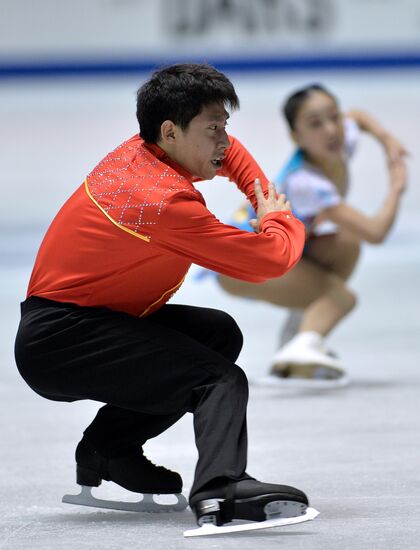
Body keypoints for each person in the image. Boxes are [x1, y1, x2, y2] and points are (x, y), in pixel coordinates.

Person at [14, 64, 310, 528]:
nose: (224, 142)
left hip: (77, 323)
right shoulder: (162, 203)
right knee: (218, 380)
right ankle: (220, 489)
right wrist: (278, 217)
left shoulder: (142, 149)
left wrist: (260, 193)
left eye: (225, 127)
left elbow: (232, 156)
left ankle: (107, 450)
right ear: (171, 131)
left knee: (214, 334)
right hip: (61, 339)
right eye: (213, 129)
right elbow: (269, 261)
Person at [218, 84, 408, 385]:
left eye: (334, 117)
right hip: (241, 264)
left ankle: (296, 338)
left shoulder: (336, 143)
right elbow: (375, 232)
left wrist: (387, 140)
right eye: (316, 123)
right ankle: (302, 345)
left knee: (346, 245)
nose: (332, 129)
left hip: (272, 249)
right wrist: (397, 188)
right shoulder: (306, 182)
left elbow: (356, 117)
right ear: (297, 137)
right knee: (341, 298)